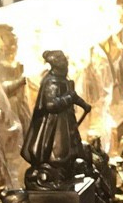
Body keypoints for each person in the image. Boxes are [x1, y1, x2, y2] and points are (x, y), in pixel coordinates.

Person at [22, 50, 91, 190]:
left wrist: (84, 105)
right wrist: (69, 98)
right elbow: (51, 105)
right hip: (54, 125)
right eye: (64, 61)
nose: (66, 64)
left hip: (66, 122)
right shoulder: (51, 82)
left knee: (70, 148)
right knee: (59, 150)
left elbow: (73, 95)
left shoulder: (63, 80)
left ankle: (67, 171)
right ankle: (54, 173)